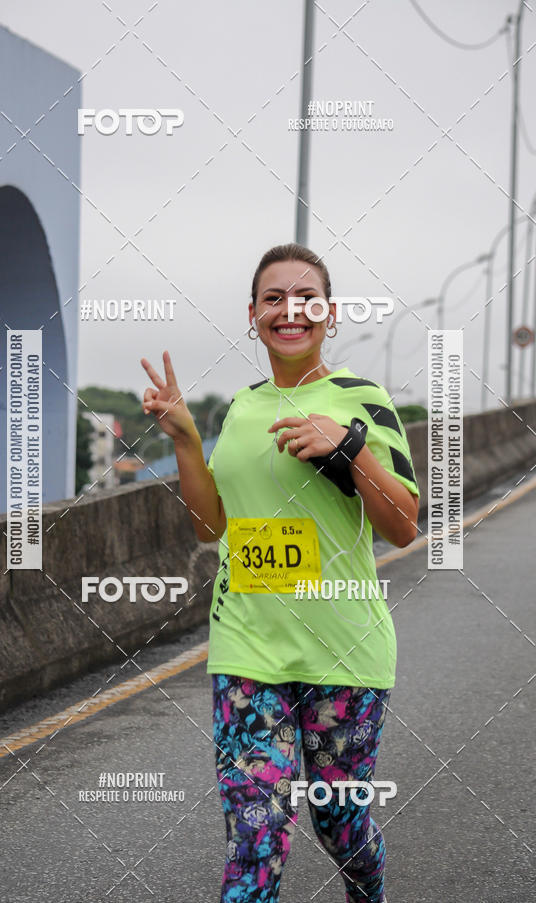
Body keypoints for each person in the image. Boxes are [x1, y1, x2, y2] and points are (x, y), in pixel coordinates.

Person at [141, 243, 419, 903]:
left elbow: (404, 525)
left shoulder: (362, 399)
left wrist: (348, 445)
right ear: (252, 315)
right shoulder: (240, 410)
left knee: (341, 825)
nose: (289, 310)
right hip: (247, 649)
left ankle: (368, 887)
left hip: (343, 654)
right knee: (257, 834)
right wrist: (184, 439)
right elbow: (212, 526)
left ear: (330, 314)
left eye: (305, 298)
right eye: (274, 298)